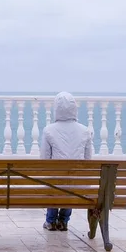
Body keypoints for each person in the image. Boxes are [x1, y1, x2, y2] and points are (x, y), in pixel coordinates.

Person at [40, 91, 93, 231]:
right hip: (76, 186)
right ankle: (63, 220)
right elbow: (88, 160)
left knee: (53, 180)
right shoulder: (85, 131)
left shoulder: (48, 130)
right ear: (74, 109)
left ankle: (50, 221)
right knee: (72, 179)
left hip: (56, 183)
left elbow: (44, 160)